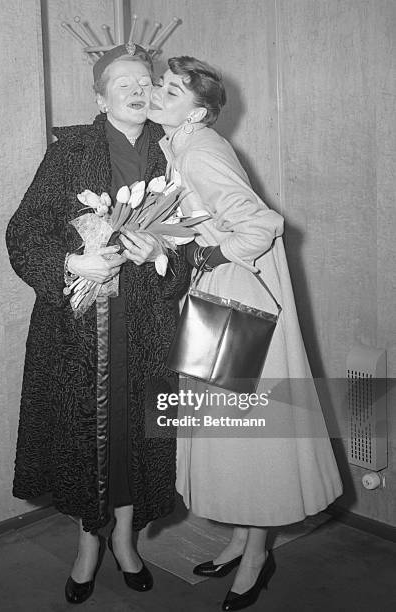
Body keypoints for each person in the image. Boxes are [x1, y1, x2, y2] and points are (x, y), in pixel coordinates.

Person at [148, 56, 343, 611]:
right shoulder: (181, 146)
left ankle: (257, 554)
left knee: (249, 433)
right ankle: (241, 540)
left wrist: (212, 252)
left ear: (200, 110)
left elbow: (261, 224)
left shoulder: (202, 150)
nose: (160, 93)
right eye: (160, 85)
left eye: (173, 89)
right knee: (231, 434)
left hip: (236, 297)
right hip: (220, 296)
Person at [6, 44, 190, 605]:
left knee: (136, 436)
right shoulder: (70, 151)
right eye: (123, 82)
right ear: (99, 95)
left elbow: (189, 250)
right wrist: (69, 263)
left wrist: (156, 255)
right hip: (79, 329)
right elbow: (24, 232)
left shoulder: (172, 155)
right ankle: (89, 545)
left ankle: (127, 542)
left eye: (145, 80)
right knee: (88, 438)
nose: (138, 89)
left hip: (147, 328)